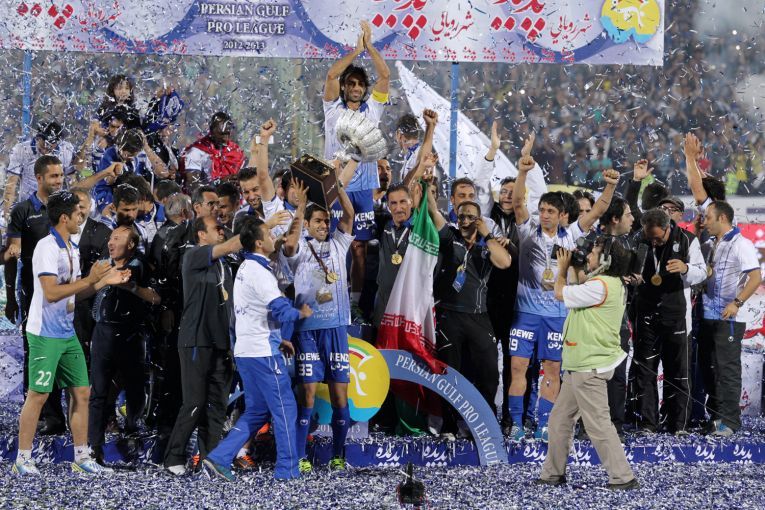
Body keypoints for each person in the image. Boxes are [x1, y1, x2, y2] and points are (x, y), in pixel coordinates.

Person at [507, 133, 619, 442]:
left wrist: (610, 186)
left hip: (557, 315)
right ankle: (516, 424)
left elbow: (597, 212)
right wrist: (522, 171)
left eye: (550, 212)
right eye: (542, 210)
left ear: (561, 216)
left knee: (553, 370)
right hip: (526, 313)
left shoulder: (570, 235)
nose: (544, 215)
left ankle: (545, 425)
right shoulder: (527, 230)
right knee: (518, 367)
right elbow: (517, 202)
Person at [12, 190, 130, 476]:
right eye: (78, 212)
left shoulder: (71, 247)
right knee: (38, 395)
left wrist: (104, 282)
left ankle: (82, 457)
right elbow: (52, 293)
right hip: (45, 333)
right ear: (64, 217)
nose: (82, 215)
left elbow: (75, 293)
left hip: (67, 332)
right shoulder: (46, 248)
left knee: (81, 393)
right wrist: (91, 279)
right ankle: (22, 459)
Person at [203, 219, 312, 481]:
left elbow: (254, 311)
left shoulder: (245, 267)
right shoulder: (261, 273)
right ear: (259, 243)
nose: (274, 236)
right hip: (262, 353)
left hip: (246, 350)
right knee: (286, 408)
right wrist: (300, 312)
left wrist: (278, 339)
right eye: (268, 233)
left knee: (257, 411)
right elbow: (280, 310)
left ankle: (219, 458)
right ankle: (287, 471)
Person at [536, 239, 638, 491]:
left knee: (598, 425)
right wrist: (574, 267)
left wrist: (562, 268)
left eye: (593, 253)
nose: (588, 256)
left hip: (589, 366)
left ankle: (623, 477)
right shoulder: (607, 283)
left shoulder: (601, 285)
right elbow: (580, 284)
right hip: (581, 365)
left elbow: (560, 293)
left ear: (606, 261)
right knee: (559, 420)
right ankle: (552, 473)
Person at [282, 172, 355, 472]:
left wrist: (338, 186)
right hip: (308, 332)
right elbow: (288, 246)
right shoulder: (300, 248)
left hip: (336, 328)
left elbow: (349, 215)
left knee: (340, 396)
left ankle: (338, 456)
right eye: (318, 221)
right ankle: (300, 457)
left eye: (326, 220)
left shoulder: (339, 244)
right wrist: (300, 208)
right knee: (308, 395)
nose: (325, 225)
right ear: (308, 225)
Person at [429, 179, 512, 438]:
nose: (465, 221)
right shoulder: (449, 237)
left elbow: (505, 263)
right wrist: (426, 181)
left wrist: (486, 234)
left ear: (479, 220)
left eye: (471, 217)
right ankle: (449, 425)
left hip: (478, 317)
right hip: (449, 315)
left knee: (489, 373)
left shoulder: (487, 247)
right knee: (448, 371)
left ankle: (486, 423)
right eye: (462, 216)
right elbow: (432, 210)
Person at [163, 217, 241, 475]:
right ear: (201, 234)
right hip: (196, 340)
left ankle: (210, 459)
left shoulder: (225, 265)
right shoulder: (194, 255)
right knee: (194, 402)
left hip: (222, 343)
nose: (221, 231)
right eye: (215, 229)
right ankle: (173, 457)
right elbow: (230, 246)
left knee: (217, 405)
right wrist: (261, 228)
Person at [323, 20, 390, 318]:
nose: (355, 88)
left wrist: (370, 48)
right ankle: (329, 298)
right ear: (344, 87)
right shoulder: (331, 108)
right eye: (350, 83)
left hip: (363, 188)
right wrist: (355, 51)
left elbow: (385, 75)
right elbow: (331, 74)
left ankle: (355, 303)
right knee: (330, 244)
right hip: (333, 185)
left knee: (359, 249)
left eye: (360, 84)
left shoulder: (373, 109)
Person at [4, 155, 68, 435]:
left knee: (65, 351)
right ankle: (42, 414)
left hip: (65, 294)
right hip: (34, 294)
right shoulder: (23, 210)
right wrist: (11, 297)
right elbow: (11, 256)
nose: (59, 181)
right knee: (37, 351)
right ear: (39, 178)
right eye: (54, 176)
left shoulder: (66, 207)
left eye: (61, 175)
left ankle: (63, 413)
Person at [630, 208, 706, 434]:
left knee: (678, 372)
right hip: (646, 312)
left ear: (667, 228)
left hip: (676, 315)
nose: (653, 242)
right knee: (645, 370)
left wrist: (685, 268)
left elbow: (702, 272)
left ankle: (678, 424)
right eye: (649, 237)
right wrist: (632, 278)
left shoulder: (687, 240)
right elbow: (630, 269)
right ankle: (648, 423)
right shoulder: (639, 238)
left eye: (657, 238)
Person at [88, 226, 160, 463]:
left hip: (130, 334)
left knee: (134, 387)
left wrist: (128, 285)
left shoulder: (139, 265)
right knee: (98, 392)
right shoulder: (102, 265)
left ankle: (131, 429)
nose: (111, 242)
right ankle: (94, 447)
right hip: (103, 332)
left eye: (117, 239)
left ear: (131, 245)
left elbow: (152, 293)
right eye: (110, 238)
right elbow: (88, 288)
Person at [698, 201, 761, 436]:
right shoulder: (709, 244)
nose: (705, 221)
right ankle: (716, 418)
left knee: (727, 370)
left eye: (708, 217)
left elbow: (755, 278)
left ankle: (730, 422)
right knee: (709, 370)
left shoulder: (742, 244)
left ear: (722, 218)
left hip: (730, 318)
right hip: (707, 314)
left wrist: (737, 303)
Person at [3, 122, 86, 218]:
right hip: (28, 209)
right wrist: (7, 214)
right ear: (38, 138)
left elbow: (72, 181)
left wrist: (76, 207)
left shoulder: (66, 150)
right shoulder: (21, 150)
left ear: (58, 142)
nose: (46, 151)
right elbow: (11, 185)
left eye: (50, 147)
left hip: (54, 209)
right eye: (43, 147)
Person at [183, 111, 245, 191]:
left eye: (227, 134)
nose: (225, 138)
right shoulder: (196, 152)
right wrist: (219, 182)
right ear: (212, 131)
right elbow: (192, 186)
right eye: (221, 134)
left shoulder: (235, 151)